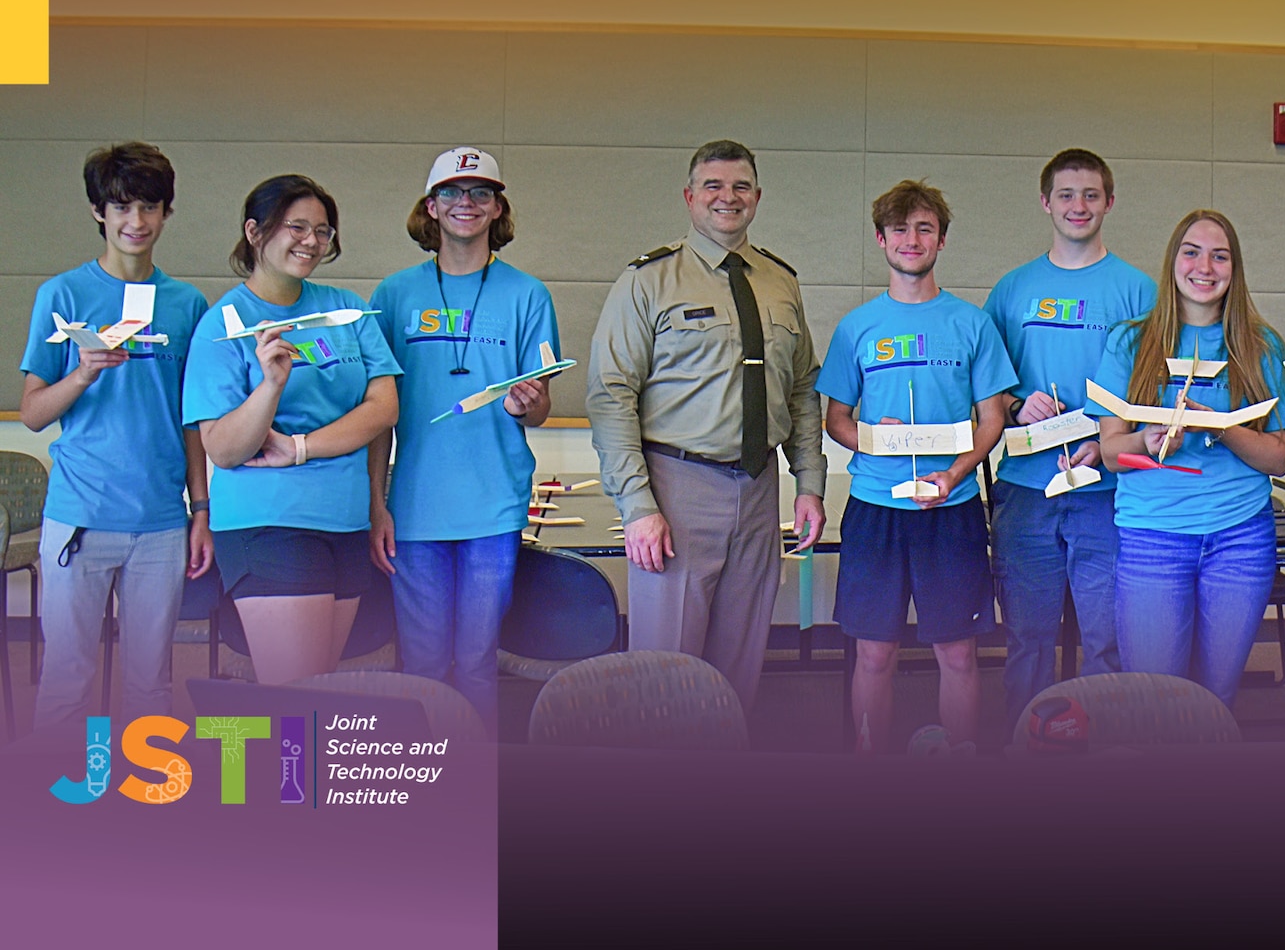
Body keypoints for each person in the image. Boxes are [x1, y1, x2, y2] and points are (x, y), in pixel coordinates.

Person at [585, 140, 826, 710]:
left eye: (741, 186)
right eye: (713, 186)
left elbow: (800, 390)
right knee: (665, 672)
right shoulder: (648, 281)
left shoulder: (779, 281)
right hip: (676, 490)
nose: (728, 197)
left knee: (739, 669)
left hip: (760, 489)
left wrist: (810, 485)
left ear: (758, 198)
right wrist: (638, 506)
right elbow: (610, 395)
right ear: (690, 197)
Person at [818, 180, 1017, 753]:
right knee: (874, 652)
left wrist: (953, 475)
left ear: (942, 240)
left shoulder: (972, 324)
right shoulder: (857, 327)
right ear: (881, 239)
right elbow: (837, 420)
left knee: (957, 651)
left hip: (949, 510)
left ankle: (959, 769)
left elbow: (992, 420)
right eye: (900, 229)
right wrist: (878, 443)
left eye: (924, 228)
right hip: (876, 510)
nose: (912, 239)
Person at [20, 142, 211, 730]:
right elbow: (31, 412)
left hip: (159, 521)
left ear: (166, 214)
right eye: (122, 207)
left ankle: (142, 811)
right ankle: (49, 811)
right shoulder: (63, 295)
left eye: (150, 207)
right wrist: (83, 370)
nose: (137, 222)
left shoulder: (187, 304)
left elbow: (194, 423)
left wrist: (200, 509)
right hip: (80, 513)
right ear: (99, 212)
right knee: (67, 679)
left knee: (151, 684)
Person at [368, 147, 557, 736]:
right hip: (416, 506)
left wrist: (532, 405)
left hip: (493, 504)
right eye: (452, 191)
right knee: (421, 664)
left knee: (476, 663)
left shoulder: (528, 295)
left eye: (481, 193)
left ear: (498, 208)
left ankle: (474, 785)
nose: (466, 203)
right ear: (431, 206)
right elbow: (376, 413)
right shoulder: (393, 295)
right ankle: (424, 779)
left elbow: (541, 404)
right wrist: (377, 502)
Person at [184, 175, 400, 686]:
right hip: (271, 522)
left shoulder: (346, 308)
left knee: (319, 688)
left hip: (344, 520)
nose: (311, 241)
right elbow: (224, 448)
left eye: (322, 231)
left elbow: (383, 408)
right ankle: (279, 773)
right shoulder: (224, 323)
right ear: (255, 231)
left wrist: (302, 449)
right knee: (294, 699)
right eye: (295, 227)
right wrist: (270, 387)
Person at [1089, 210, 1285, 707]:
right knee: (1155, 698)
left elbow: (1280, 458)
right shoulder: (1130, 342)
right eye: (1192, 251)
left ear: (1234, 268)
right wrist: (1148, 440)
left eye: (1220, 255)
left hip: (1239, 538)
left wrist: (1221, 429)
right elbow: (1111, 453)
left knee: (1217, 695)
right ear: (1172, 262)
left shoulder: (1261, 344)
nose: (1205, 266)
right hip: (1152, 538)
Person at [983, 149, 1156, 728]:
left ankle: (1106, 757)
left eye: (1089, 195)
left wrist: (1110, 442)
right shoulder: (1012, 290)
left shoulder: (1139, 292)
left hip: (1108, 489)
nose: (1077, 206)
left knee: (1107, 642)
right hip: (1028, 489)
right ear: (1044, 203)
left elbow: (1154, 388)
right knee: (1027, 641)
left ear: (1109, 202)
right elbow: (984, 387)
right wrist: (1015, 404)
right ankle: (1025, 751)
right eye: (1065, 195)